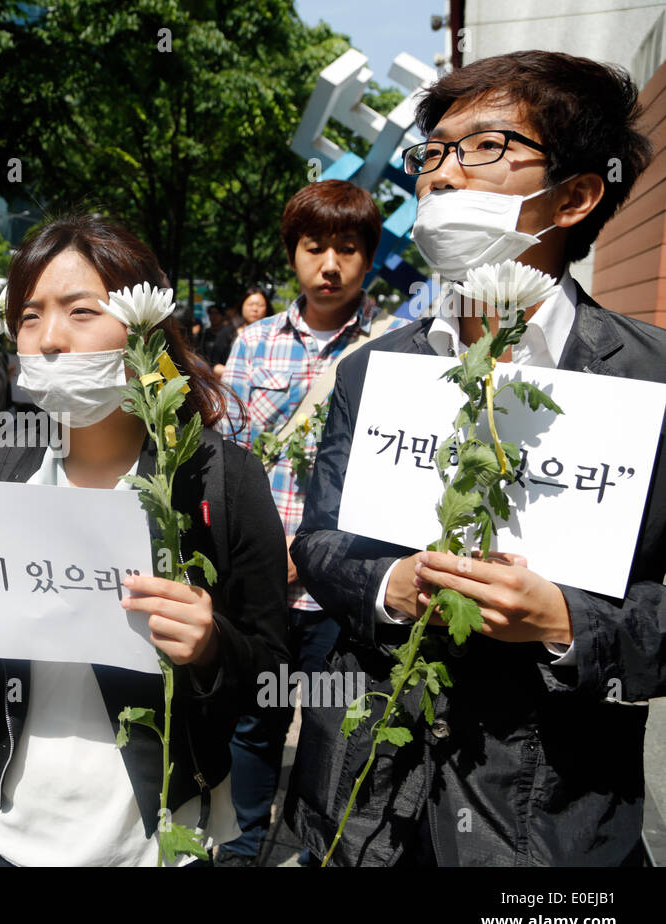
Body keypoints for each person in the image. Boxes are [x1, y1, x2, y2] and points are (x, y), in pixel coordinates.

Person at [286, 50, 661, 865]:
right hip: (365, 805)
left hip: (547, 817)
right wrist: (390, 585)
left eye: (485, 148)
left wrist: (569, 623)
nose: (442, 176)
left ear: (576, 196)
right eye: (434, 153)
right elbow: (318, 543)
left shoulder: (649, 380)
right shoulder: (373, 368)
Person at [0, 213, 288, 866]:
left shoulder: (218, 478)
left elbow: (271, 673)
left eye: (80, 311)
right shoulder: (1, 461)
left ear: (143, 326)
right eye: (29, 317)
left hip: (152, 842)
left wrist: (209, 648)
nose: (49, 339)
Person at [213, 180, 410, 865]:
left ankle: (310, 847)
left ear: (369, 258)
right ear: (293, 253)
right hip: (263, 583)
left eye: (348, 249)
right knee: (255, 721)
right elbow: (229, 458)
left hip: (344, 583)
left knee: (337, 726)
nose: (329, 264)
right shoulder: (253, 343)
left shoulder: (400, 351)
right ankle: (241, 847)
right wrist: (262, 552)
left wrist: (320, 555)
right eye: (313, 246)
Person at [210, 288, 267, 378]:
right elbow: (213, 364)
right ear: (242, 306)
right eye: (250, 304)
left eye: (260, 305)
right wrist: (239, 375)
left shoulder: (274, 335)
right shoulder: (228, 332)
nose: (255, 309)